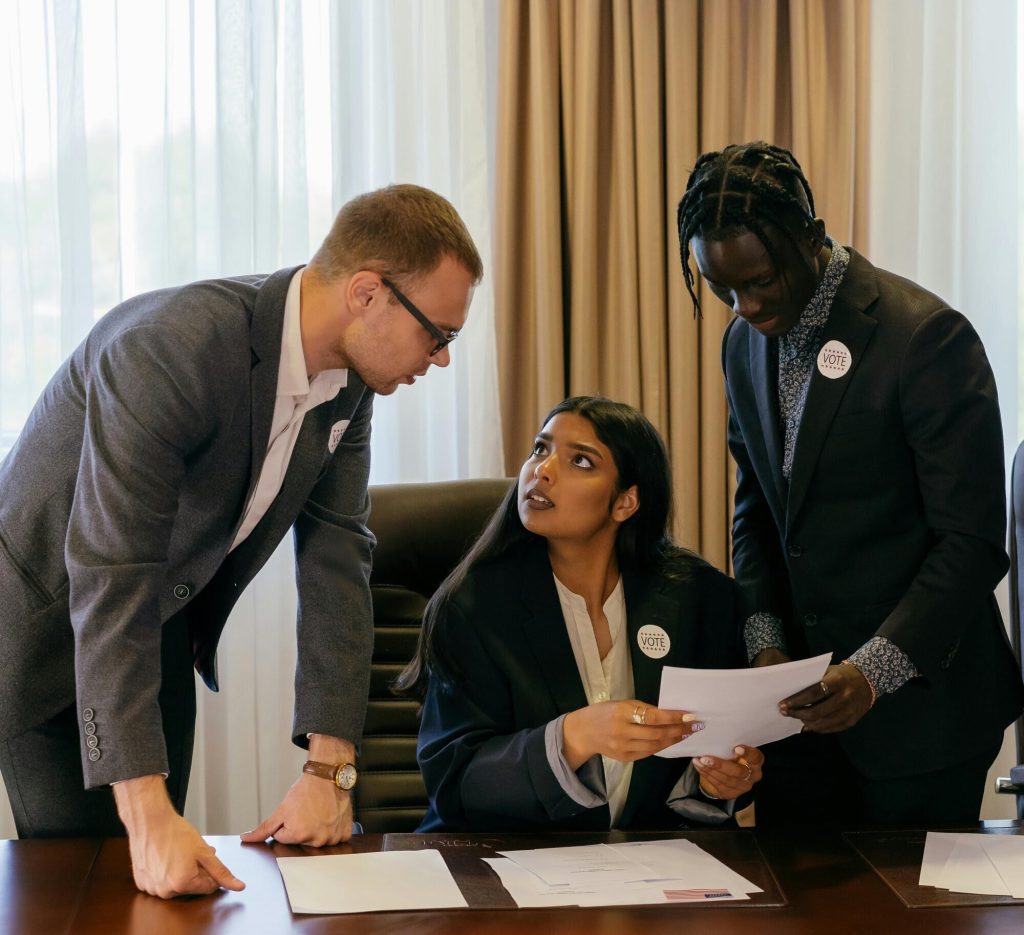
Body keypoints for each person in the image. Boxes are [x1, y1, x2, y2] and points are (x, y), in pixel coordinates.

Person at [0, 184, 482, 897]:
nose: (441, 358)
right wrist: (145, 811)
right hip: (43, 624)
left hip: (155, 619)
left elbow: (337, 561)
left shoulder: (351, 385)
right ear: (367, 292)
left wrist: (330, 768)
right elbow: (111, 572)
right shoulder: (170, 351)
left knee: (157, 887)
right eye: (438, 333)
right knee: (87, 879)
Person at [675, 141, 1024, 825]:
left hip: (923, 717)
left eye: (760, 281)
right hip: (799, 722)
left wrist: (874, 671)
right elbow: (756, 511)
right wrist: (763, 638)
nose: (743, 305)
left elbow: (973, 541)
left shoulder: (925, 338)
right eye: (722, 288)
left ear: (811, 239)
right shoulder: (742, 344)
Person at [398, 396, 764, 831]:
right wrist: (575, 736)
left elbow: (713, 752)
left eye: (581, 462)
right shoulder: (473, 604)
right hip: (501, 863)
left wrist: (718, 781)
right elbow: (456, 783)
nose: (542, 470)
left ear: (625, 503)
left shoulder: (699, 598)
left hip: (644, 872)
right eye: (540, 448)